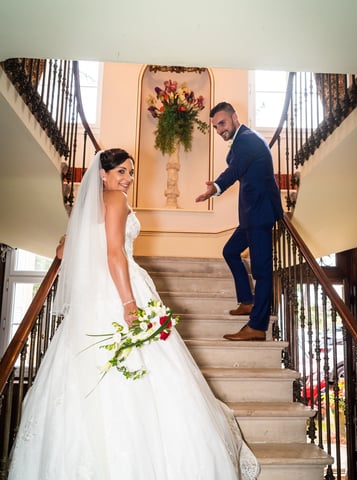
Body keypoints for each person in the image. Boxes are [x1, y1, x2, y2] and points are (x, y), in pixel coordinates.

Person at [8, 148, 260, 479]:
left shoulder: (89, 206)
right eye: (121, 173)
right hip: (119, 289)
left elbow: (62, 251)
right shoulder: (115, 201)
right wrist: (129, 303)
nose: (127, 179)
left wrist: (67, 239)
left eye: (130, 173)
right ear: (103, 174)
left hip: (92, 299)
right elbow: (115, 254)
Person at [196, 102, 283, 341]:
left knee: (262, 272)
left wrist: (215, 186)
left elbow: (234, 171)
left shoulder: (247, 139)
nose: (219, 129)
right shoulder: (245, 139)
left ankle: (257, 326)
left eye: (222, 123)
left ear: (235, 117)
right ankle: (247, 300)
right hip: (251, 215)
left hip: (259, 214)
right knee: (230, 251)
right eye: (215, 127)